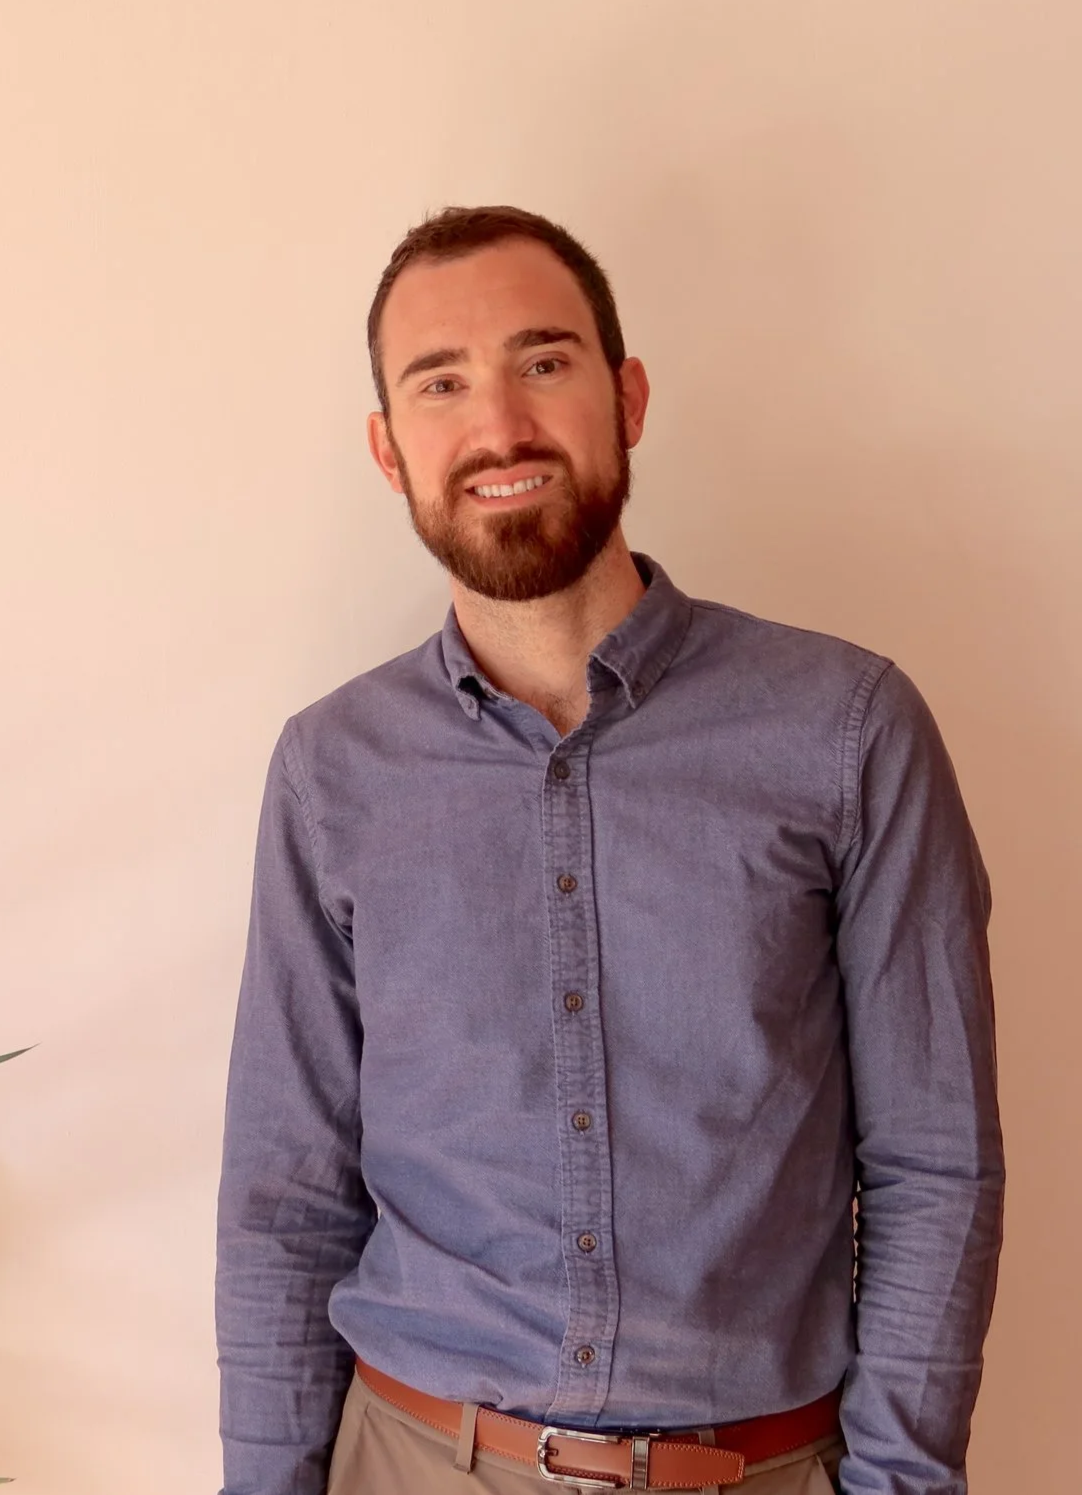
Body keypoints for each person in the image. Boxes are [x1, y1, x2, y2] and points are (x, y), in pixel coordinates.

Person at [214, 206, 1003, 1495]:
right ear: (388, 448)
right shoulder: (331, 771)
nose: (500, 426)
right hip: (407, 1461)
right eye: (441, 383)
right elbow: (285, 1196)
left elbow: (933, 1165)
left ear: (626, 396)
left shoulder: (848, 731)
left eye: (544, 362)